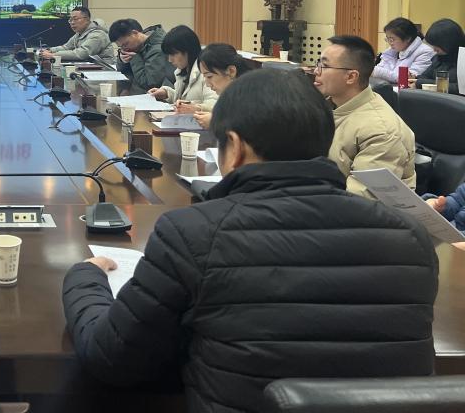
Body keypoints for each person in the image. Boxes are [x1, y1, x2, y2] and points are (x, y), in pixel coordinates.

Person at [62, 68, 438, 413]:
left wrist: (84, 277)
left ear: (235, 147)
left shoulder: (194, 233)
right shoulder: (409, 236)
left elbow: (111, 357)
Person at [314, 35, 416, 198]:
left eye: (324, 66)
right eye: (318, 64)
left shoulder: (381, 130)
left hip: (358, 210)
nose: (316, 71)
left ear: (351, 77)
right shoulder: (325, 107)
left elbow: (362, 200)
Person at [148, 25, 217, 112]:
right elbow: (184, 98)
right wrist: (167, 93)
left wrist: (197, 108)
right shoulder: (182, 71)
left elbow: (215, 104)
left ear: (188, 50)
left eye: (173, 54)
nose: (170, 60)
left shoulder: (206, 72)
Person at [192, 43, 253, 128]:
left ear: (231, 71)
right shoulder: (232, 94)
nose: (207, 84)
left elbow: (249, 127)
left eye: (209, 76)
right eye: (205, 77)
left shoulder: (252, 94)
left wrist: (216, 123)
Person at [39, 6, 116, 65]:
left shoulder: (97, 35)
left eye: (75, 19)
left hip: (104, 71)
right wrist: (50, 50)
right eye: (70, 20)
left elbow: (81, 54)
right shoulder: (79, 33)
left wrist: (53, 55)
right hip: (91, 68)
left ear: (87, 20)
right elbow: (66, 47)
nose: (72, 22)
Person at [107, 19, 171, 90]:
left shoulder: (157, 49)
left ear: (134, 33)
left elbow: (150, 83)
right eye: (121, 47)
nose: (124, 49)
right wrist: (122, 60)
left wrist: (134, 59)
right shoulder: (136, 46)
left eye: (126, 44)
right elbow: (123, 72)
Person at [372, 17, 434, 84]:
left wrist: (376, 71)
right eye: (387, 39)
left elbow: (410, 79)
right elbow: (381, 68)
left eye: (392, 39)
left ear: (408, 38)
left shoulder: (425, 52)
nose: (390, 43)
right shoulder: (392, 51)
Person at [415, 17, 464, 94]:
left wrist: (424, 83)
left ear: (449, 42)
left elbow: (460, 89)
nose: (434, 49)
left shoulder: (462, 59)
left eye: (437, 45)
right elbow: (423, 77)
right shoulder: (439, 58)